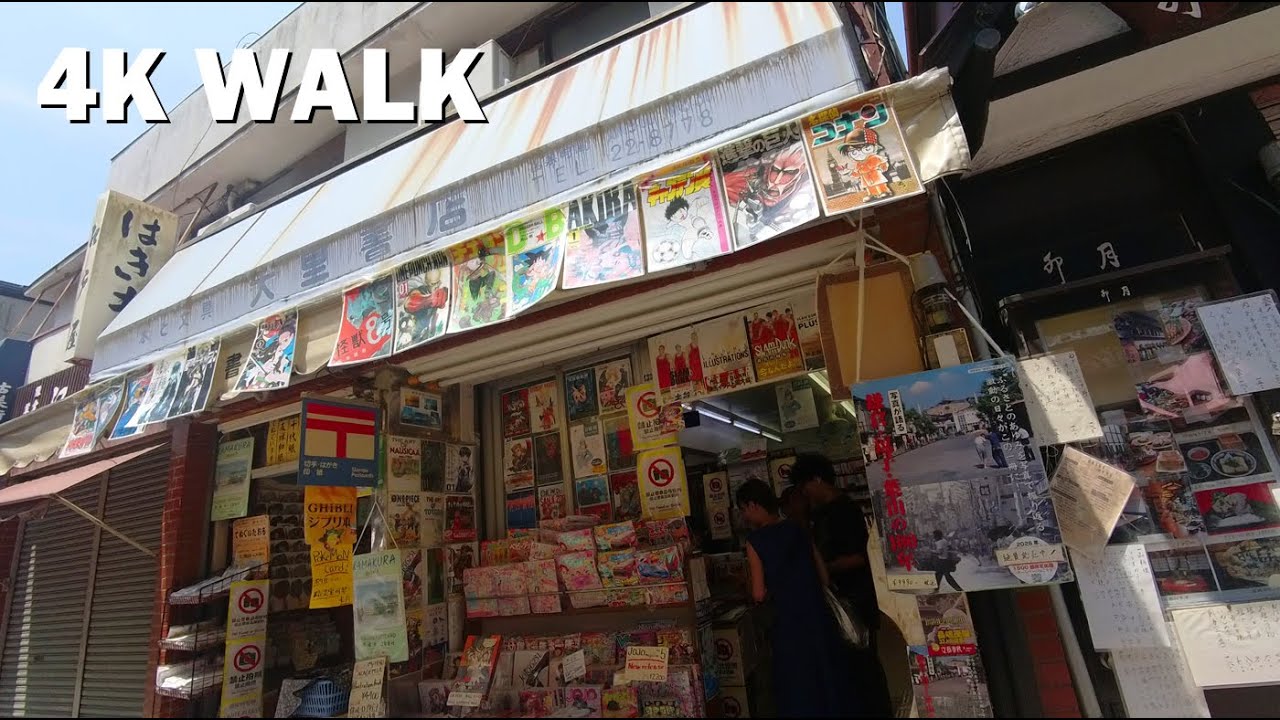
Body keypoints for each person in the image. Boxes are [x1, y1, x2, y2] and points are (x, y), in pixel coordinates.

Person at [736, 478, 854, 718]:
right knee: (825, 674)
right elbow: (823, 576)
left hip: (787, 623)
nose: (744, 517)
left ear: (753, 505)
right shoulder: (798, 528)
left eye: (743, 509)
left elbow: (758, 594)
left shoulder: (755, 542)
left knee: (796, 682)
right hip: (817, 615)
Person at [792, 453, 893, 718]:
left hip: (855, 600)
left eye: (805, 485)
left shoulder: (845, 511)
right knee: (850, 667)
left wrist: (823, 569)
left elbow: (860, 557)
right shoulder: (821, 513)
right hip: (840, 602)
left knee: (864, 666)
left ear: (817, 479)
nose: (804, 493)